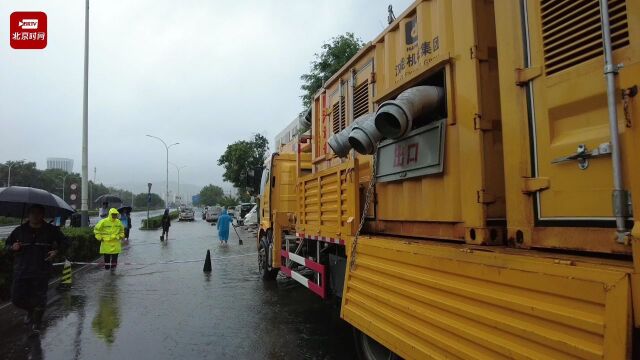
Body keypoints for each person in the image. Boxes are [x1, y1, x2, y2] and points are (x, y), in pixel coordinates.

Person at [5, 205, 69, 335]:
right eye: (32, 213)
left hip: (42, 270)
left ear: (43, 215)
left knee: (40, 298)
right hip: (21, 270)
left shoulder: (51, 230)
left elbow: (66, 242)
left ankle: (36, 324)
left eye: (38, 213)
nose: (35, 216)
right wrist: (13, 247)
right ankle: (31, 310)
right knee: (16, 298)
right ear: (28, 215)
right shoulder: (19, 231)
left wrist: (56, 251)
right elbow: (7, 245)